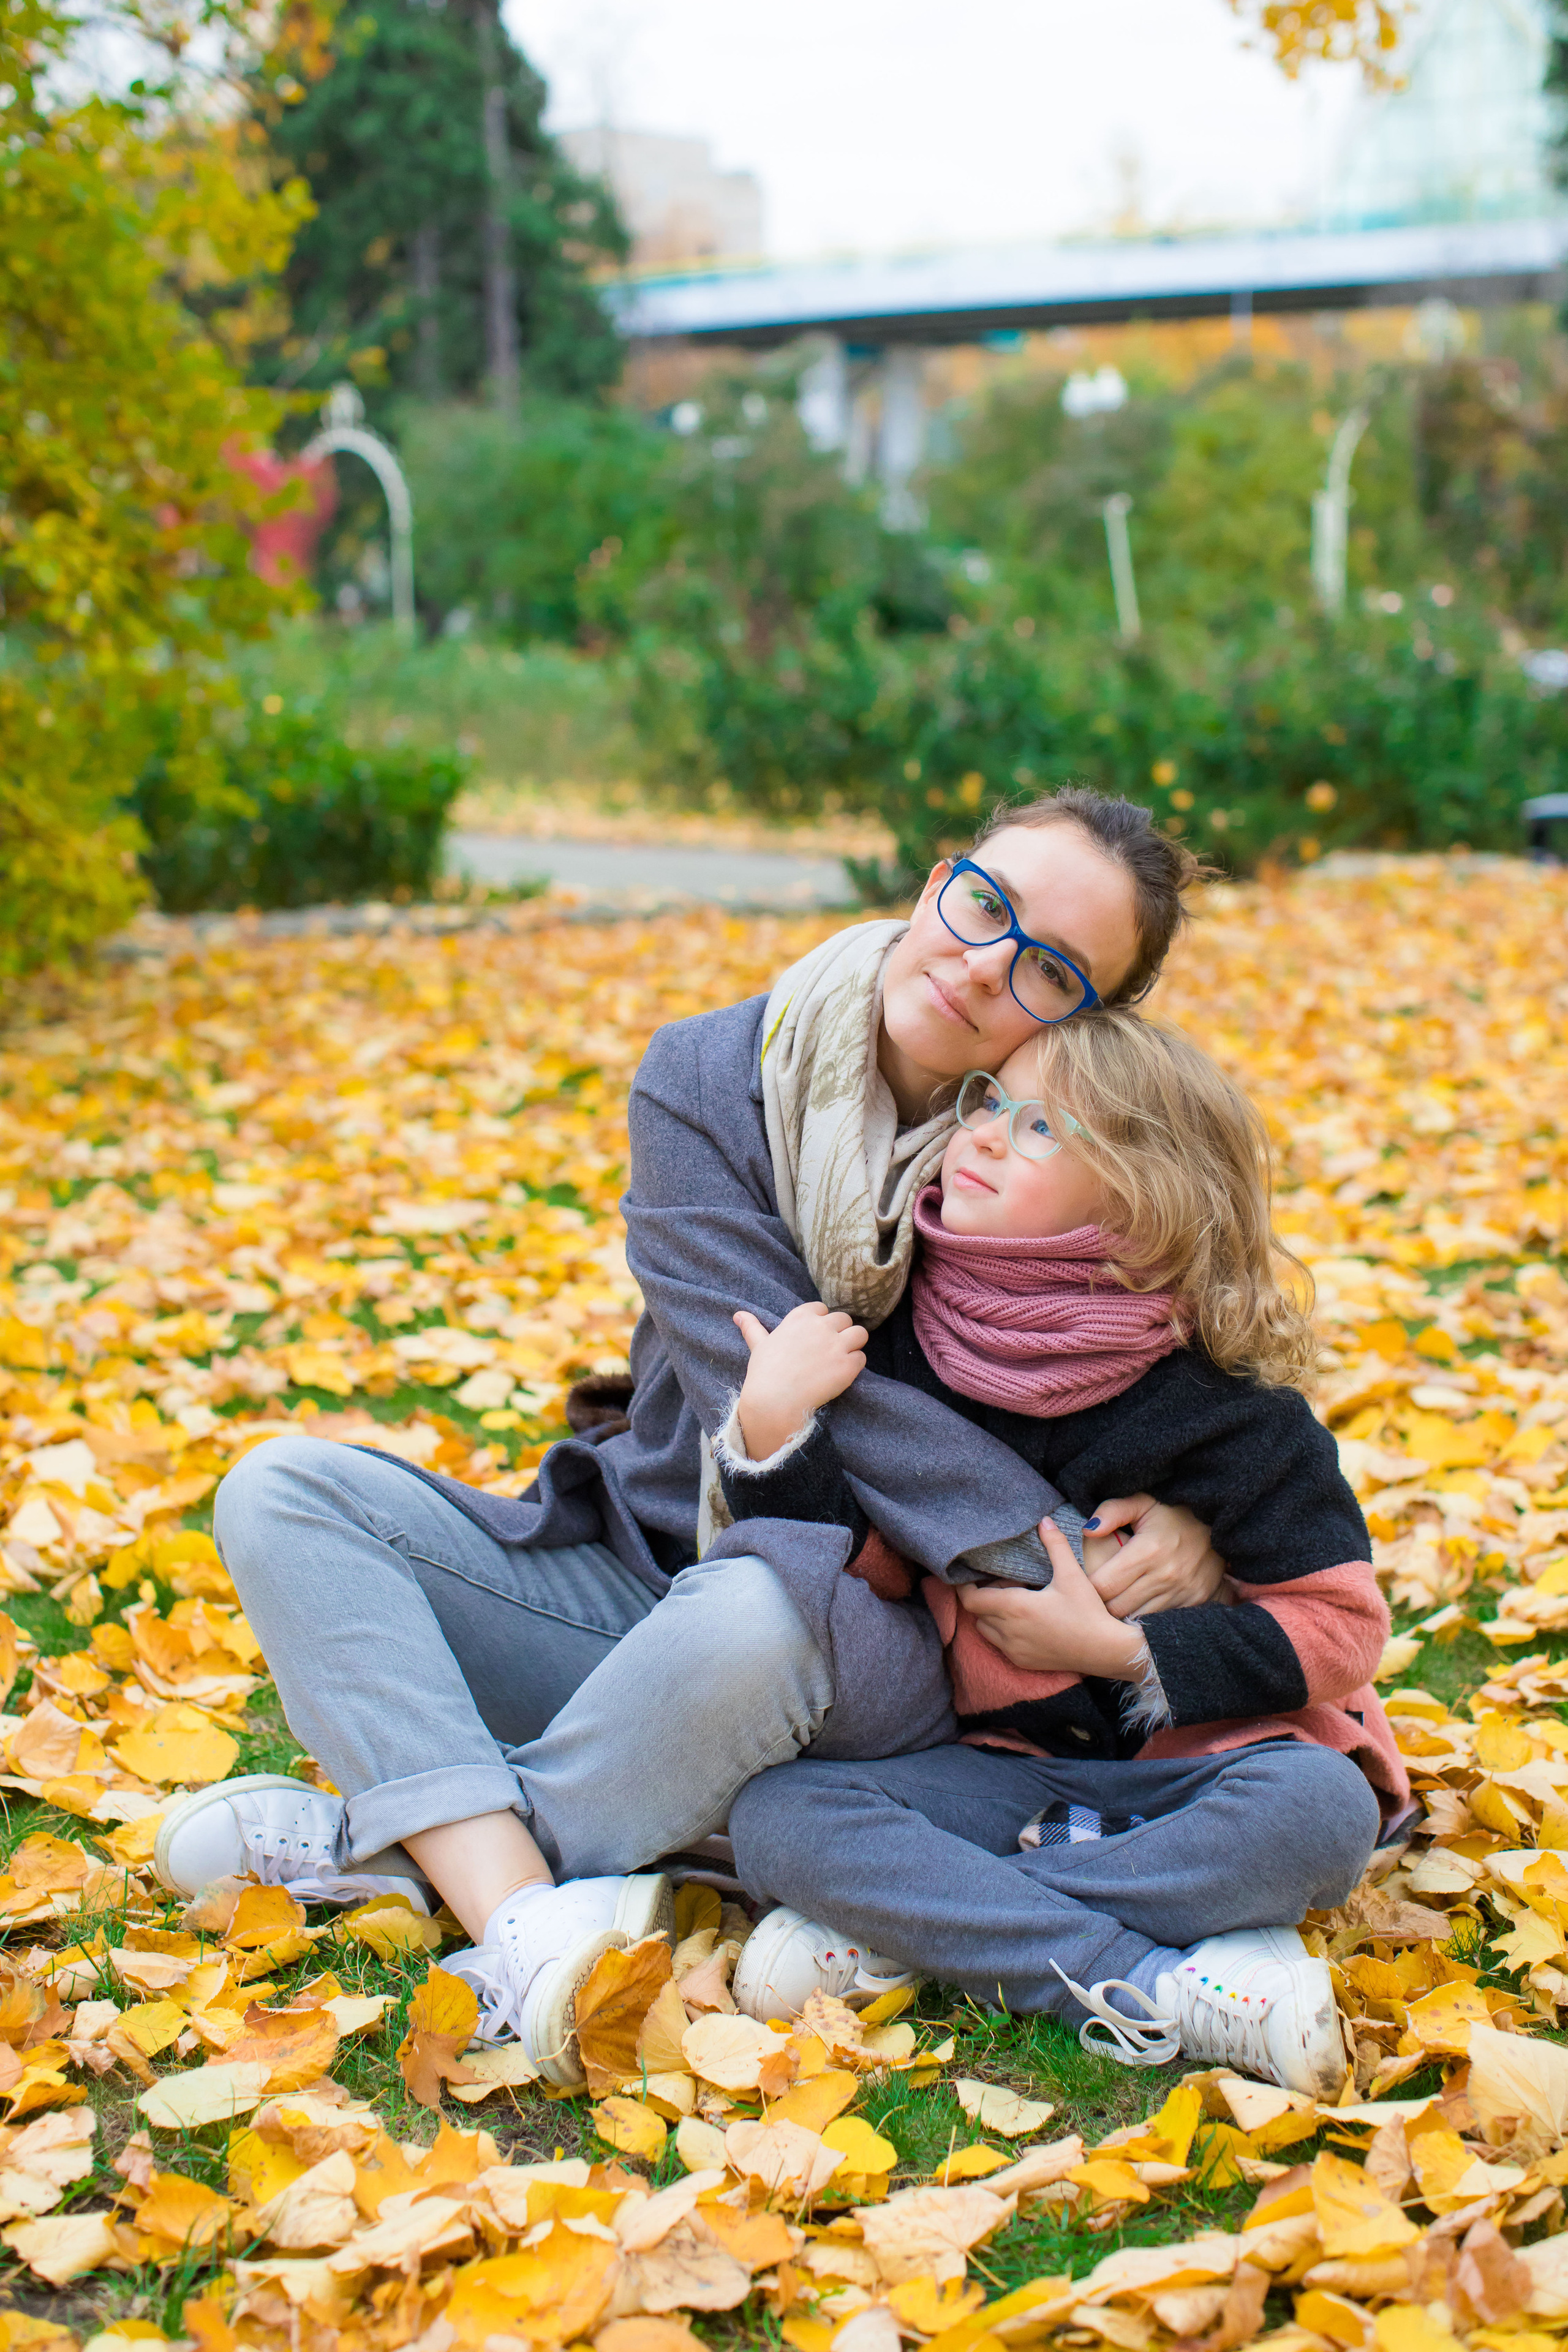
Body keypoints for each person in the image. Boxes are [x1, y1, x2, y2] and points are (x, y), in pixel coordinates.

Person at [158, 790, 1226, 2086]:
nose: (984, 963)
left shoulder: (1062, 1164)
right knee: (284, 1492)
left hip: (874, 1631)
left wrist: (1201, 1518)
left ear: (1089, 1024)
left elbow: (1186, 1364)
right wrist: (1047, 1542)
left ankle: (424, 1859)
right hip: (643, 1566)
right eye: (984, 905)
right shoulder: (709, 1079)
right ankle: (532, 1905)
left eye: (1050, 969)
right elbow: (777, 1382)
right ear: (937, 879)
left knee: (760, 1611)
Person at [710, 1014, 1404, 2097]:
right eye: (988, 1100)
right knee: (779, 1819)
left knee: (1322, 1816)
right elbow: (866, 1569)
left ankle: (926, 1927)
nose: (982, 1133)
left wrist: (1124, 1654)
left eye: (1040, 1128)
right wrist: (773, 1437)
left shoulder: (1228, 1410)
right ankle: (1155, 1979)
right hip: (1008, 1775)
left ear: (1142, 1204)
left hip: (1216, 1773)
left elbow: (1342, 1628)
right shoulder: (902, 1352)